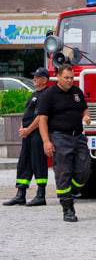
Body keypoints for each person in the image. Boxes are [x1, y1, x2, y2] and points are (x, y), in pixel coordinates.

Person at [36, 64, 91, 222]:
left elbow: (84, 108)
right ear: (58, 77)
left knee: (85, 169)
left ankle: (71, 190)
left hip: (78, 136)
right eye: (66, 78)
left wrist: (86, 116)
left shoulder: (77, 92)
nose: (69, 81)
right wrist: (46, 141)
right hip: (60, 137)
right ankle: (68, 208)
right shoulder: (49, 94)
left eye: (71, 78)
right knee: (63, 172)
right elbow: (42, 120)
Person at [3, 68, 50, 207]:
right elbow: (28, 113)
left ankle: (40, 195)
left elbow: (41, 116)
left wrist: (28, 130)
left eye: (37, 77)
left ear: (44, 80)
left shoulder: (46, 94)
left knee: (38, 162)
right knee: (24, 162)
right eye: (34, 77)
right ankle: (20, 194)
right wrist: (22, 128)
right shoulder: (35, 94)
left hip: (38, 134)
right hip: (28, 134)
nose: (34, 79)